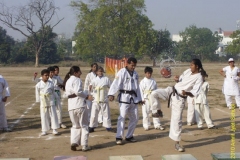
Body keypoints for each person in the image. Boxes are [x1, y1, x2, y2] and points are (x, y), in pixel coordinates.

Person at [150, 59, 204, 152]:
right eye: (190, 64)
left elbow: (195, 92)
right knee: (154, 94)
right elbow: (180, 80)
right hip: (171, 90)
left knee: (177, 121)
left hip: (179, 99)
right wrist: (177, 79)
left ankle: (177, 143)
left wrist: (187, 92)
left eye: (192, 65)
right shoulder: (187, 71)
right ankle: (158, 111)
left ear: (197, 66)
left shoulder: (199, 77)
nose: (190, 66)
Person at [108, 57, 142, 145]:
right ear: (127, 64)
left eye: (135, 65)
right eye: (132, 65)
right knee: (122, 117)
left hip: (133, 98)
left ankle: (129, 136)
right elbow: (116, 83)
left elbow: (137, 87)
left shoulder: (135, 74)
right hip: (124, 97)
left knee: (135, 118)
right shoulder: (122, 72)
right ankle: (119, 136)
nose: (133, 67)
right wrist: (111, 94)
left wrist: (140, 98)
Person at [63, 66, 93, 151]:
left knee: (75, 125)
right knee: (84, 125)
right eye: (79, 71)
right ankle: (84, 145)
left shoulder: (68, 81)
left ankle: (74, 142)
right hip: (79, 105)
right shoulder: (77, 80)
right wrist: (87, 96)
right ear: (75, 72)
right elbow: (78, 92)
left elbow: (67, 94)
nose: (81, 73)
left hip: (71, 106)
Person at [88, 66, 114, 133]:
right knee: (94, 114)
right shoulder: (93, 80)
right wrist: (90, 94)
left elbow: (111, 87)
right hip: (96, 99)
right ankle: (92, 126)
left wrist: (111, 95)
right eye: (99, 71)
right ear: (96, 72)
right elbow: (90, 88)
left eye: (101, 71)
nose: (100, 73)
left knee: (106, 114)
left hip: (104, 98)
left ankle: (108, 126)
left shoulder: (106, 79)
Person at [35, 69, 60, 136]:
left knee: (53, 114)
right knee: (44, 115)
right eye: (45, 75)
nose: (47, 77)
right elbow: (37, 93)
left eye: (48, 75)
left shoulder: (51, 83)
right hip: (43, 101)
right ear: (42, 76)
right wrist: (38, 101)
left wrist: (57, 98)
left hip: (51, 100)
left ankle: (54, 129)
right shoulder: (38, 84)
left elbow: (53, 91)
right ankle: (44, 130)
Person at [139, 67, 164, 131]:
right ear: (145, 73)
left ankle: (157, 124)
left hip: (153, 98)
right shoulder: (142, 82)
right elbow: (140, 91)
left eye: (150, 73)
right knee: (145, 112)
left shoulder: (153, 81)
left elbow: (156, 90)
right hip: (146, 98)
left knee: (155, 111)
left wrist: (157, 97)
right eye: (147, 73)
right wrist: (142, 99)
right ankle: (146, 125)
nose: (149, 74)